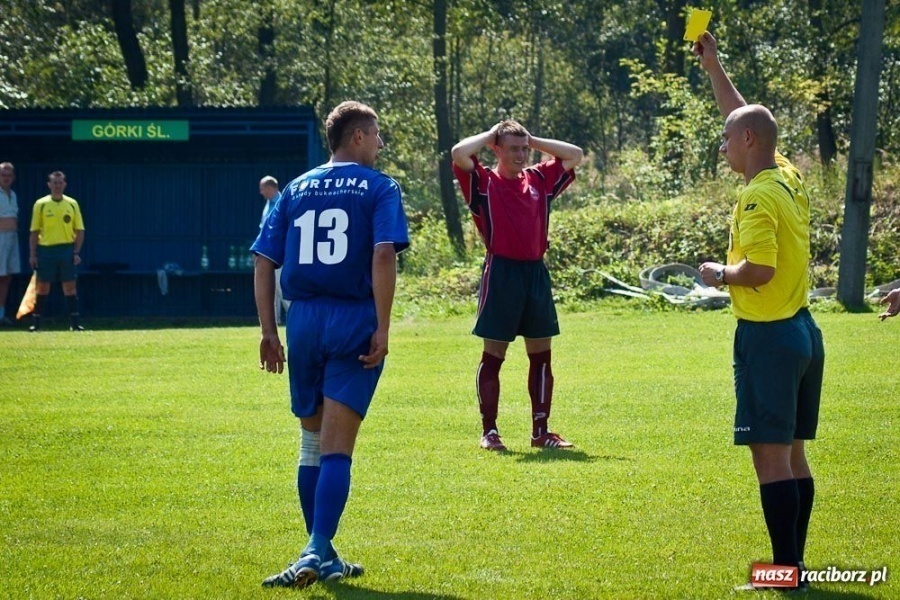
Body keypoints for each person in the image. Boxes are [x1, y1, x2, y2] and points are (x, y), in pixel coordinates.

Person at [252, 101, 409, 589]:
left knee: (312, 442)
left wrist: (269, 332)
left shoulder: (295, 188)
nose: (381, 145)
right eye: (377, 135)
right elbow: (383, 253)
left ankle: (325, 554)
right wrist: (382, 326)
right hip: (351, 318)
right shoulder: (380, 187)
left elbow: (262, 261)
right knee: (338, 447)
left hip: (303, 322)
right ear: (357, 137)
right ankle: (316, 547)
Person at [693, 32, 824, 590]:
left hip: (768, 337)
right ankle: (794, 566)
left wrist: (720, 275)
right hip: (803, 333)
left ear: (745, 142)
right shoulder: (785, 177)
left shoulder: (755, 197)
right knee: (793, 457)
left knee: (771, 462)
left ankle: (784, 573)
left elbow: (760, 270)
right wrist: (715, 67)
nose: (722, 146)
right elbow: (747, 119)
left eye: (726, 140)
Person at [451, 120, 583, 451]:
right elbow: (458, 153)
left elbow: (575, 155)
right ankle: (489, 431)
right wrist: (492, 135)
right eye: (513, 148)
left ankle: (541, 432)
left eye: (524, 149)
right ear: (496, 149)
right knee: (494, 354)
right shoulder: (483, 182)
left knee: (541, 355)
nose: (521, 154)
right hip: (502, 274)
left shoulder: (538, 178)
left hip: (535, 273)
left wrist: (531, 139)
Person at [29, 171, 86, 332]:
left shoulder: (72, 203)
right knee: (42, 287)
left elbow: (79, 229)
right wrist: (33, 254)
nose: (57, 186)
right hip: (46, 249)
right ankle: (36, 324)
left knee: (69, 287)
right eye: (54, 183)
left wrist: (76, 252)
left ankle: (74, 324)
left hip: (66, 249)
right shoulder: (41, 204)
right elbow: (34, 231)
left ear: (64, 185)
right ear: (49, 185)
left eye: (60, 183)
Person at [259, 175, 289, 325]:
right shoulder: (268, 204)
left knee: (282, 288)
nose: (261, 192)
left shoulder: (282, 203)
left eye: (262, 188)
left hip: (280, 255)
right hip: (268, 254)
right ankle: (274, 323)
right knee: (271, 291)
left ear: (271, 188)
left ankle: (291, 318)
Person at [0, 162, 21, 325]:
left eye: (9, 175)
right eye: (2, 174)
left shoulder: (13, 194)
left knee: (7, 277)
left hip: (12, 238)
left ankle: (1, 314)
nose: (6, 178)